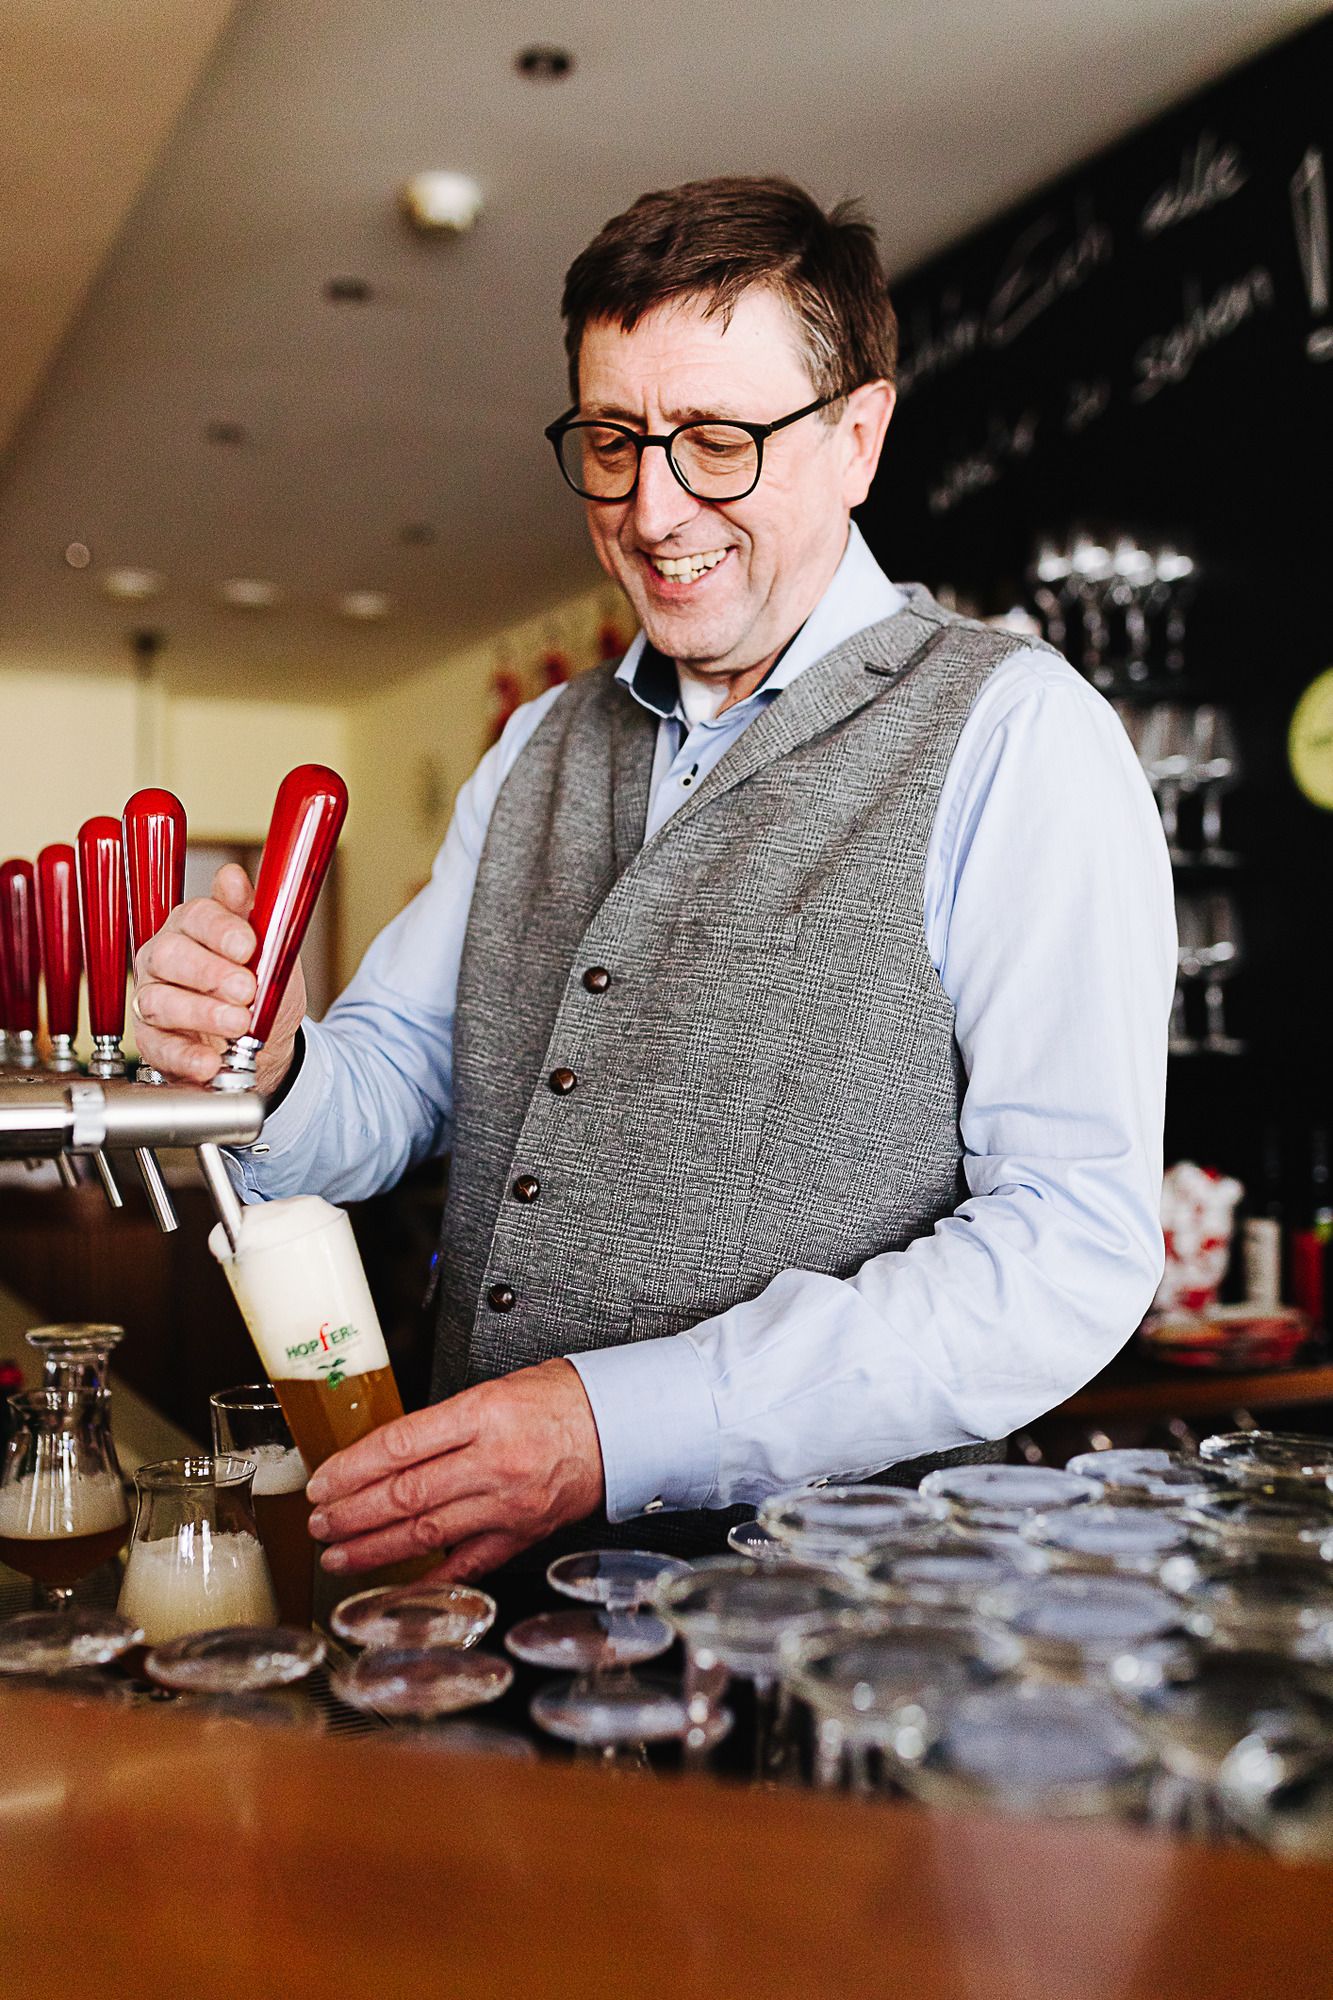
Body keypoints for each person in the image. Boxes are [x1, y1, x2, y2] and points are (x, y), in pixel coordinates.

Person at [133, 176, 1175, 1583]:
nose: (652, 507)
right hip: (486, 1604)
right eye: (613, 440)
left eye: (717, 441)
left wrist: (609, 1428)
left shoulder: (1013, 732)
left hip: (822, 1630)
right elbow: (394, 1075)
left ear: (857, 436)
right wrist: (255, 1065)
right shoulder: (536, 746)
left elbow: (1066, 1248)